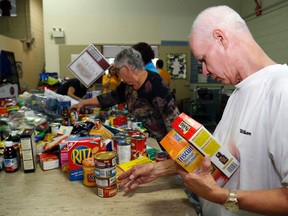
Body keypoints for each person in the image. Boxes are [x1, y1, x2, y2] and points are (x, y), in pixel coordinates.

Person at [117, 5, 288, 216]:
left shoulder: (282, 90)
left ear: (220, 38)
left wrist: (220, 196)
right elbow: (218, 160)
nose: (205, 71)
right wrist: (158, 169)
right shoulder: (239, 92)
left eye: (203, 60)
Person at [71, 48, 179, 144]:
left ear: (126, 68)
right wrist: (83, 103)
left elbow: (173, 121)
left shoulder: (156, 84)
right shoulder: (127, 85)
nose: (117, 73)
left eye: (118, 70)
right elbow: (108, 98)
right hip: (145, 140)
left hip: (164, 144)